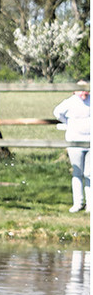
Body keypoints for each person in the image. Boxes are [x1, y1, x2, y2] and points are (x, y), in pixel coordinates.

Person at [53, 82, 91, 213]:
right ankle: (78, 203)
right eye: (81, 91)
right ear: (75, 91)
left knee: (89, 174)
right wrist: (68, 123)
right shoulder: (70, 102)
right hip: (74, 142)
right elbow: (57, 113)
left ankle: (90, 204)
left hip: (90, 142)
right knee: (77, 173)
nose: (83, 93)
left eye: (85, 90)